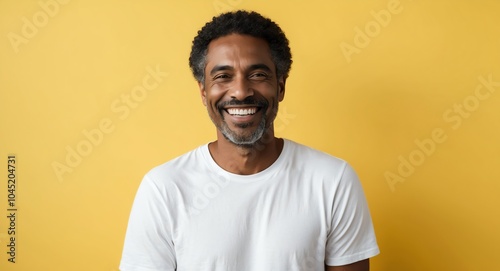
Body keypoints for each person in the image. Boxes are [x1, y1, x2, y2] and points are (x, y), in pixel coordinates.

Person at [119, 10, 379, 271]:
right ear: (203, 91)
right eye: (223, 76)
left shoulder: (333, 181)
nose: (241, 91)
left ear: (280, 87)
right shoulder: (164, 189)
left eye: (257, 75)